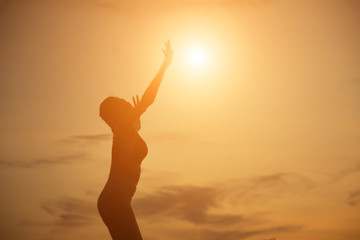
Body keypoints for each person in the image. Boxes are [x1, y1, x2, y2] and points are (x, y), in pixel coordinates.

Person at [97, 40, 173, 240]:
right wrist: (164, 66)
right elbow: (148, 100)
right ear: (118, 113)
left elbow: (139, 119)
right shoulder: (121, 128)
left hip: (117, 198)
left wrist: (136, 113)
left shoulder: (126, 131)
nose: (127, 103)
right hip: (115, 198)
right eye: (123, 103)